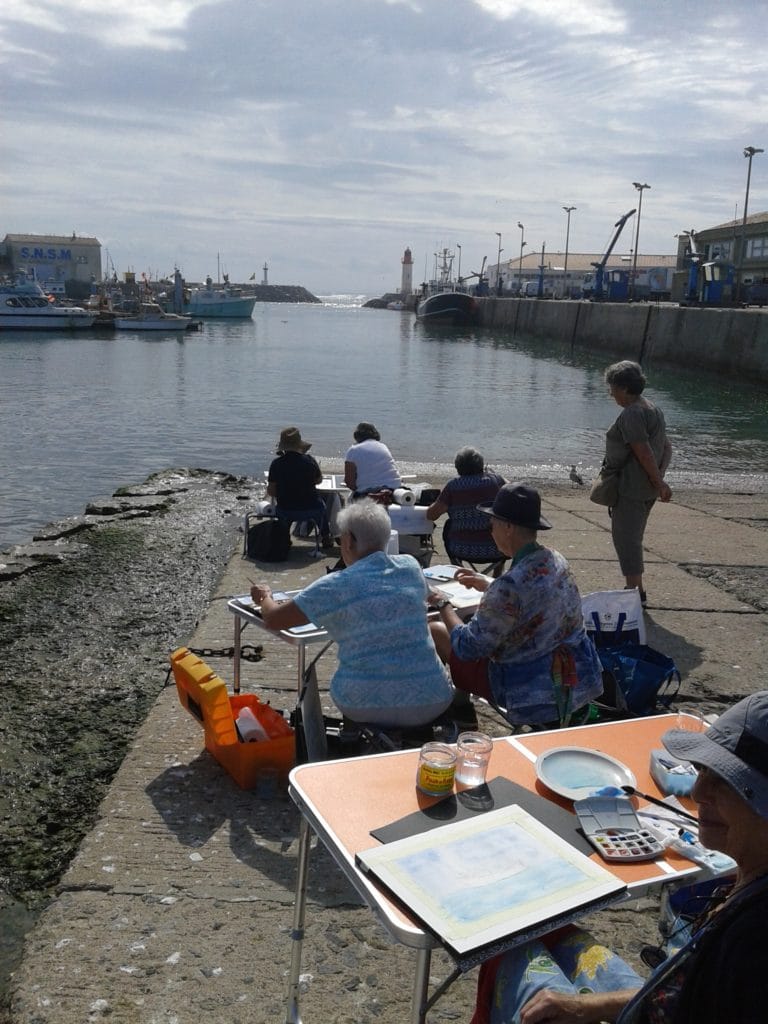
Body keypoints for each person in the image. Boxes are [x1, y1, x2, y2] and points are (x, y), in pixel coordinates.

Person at [473, 690, 768, 1024]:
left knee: (510, 940)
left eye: (727, 783)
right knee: (527, 931)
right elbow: (684, 995)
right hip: (660, 1003)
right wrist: (586, 1007)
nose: (699, 793)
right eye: (702, 770)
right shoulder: (750, 885)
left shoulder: (754, 945)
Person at [250, 499, 453, 728]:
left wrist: (264, 597)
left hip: (363, 705)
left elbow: (274, 619)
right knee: (433, 630)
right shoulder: (411, 566)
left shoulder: (334, 585)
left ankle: (338, 738)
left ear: (348, 541)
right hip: (434, 701)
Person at [428, 483, 602, 728]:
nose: (490, 529)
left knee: (437, 629)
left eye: (493, 522)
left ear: (508, 527)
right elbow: (534, 595)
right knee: (473, 624)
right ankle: (460, 707)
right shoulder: (555, 559)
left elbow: (467, 647)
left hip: (527, 686)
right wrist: (489, 584)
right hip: (574, 673)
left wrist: (442, 602)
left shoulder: (509, 587)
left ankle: (459, 709)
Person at [602, 361, 672, 605]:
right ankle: (633, 590)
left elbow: (643, 451)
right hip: (646, 488)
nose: (611, 394)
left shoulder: (632, 413)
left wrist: (658, 481)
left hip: (632, 487)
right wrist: (659, 480)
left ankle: (635, 593)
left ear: (623, 387)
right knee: (633, 537)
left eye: (612, 388)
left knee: (626, 539)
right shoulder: (653, 408)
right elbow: (666, 447)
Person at [426, 447, 506, 571]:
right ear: (481, 465)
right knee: (500, 522)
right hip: (497, 548)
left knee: (448, 525)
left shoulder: (453, 486)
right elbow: (514, 492)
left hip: (461, 548)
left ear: (458, 467)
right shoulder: (495, 481)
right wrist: (494, 476)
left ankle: (459, 569)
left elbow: (432, 515)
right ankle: (497, 574)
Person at [267, 426, 332, 547]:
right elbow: (319, 480)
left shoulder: (276, 464)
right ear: (299, 445)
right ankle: (326, 536)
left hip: (286, 508)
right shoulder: (309, 460)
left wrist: (285, 491)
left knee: (282, 512)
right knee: (321, 507)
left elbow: (271, 491)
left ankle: (284, 537)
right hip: (311, 507)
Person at [344, 422, 401, 498]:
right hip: (395, 488)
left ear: (356, 435)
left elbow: (349, 482)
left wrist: (359, 487)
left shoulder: (353, 450)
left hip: (369, 491)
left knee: (351, 497)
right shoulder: (383, 446)